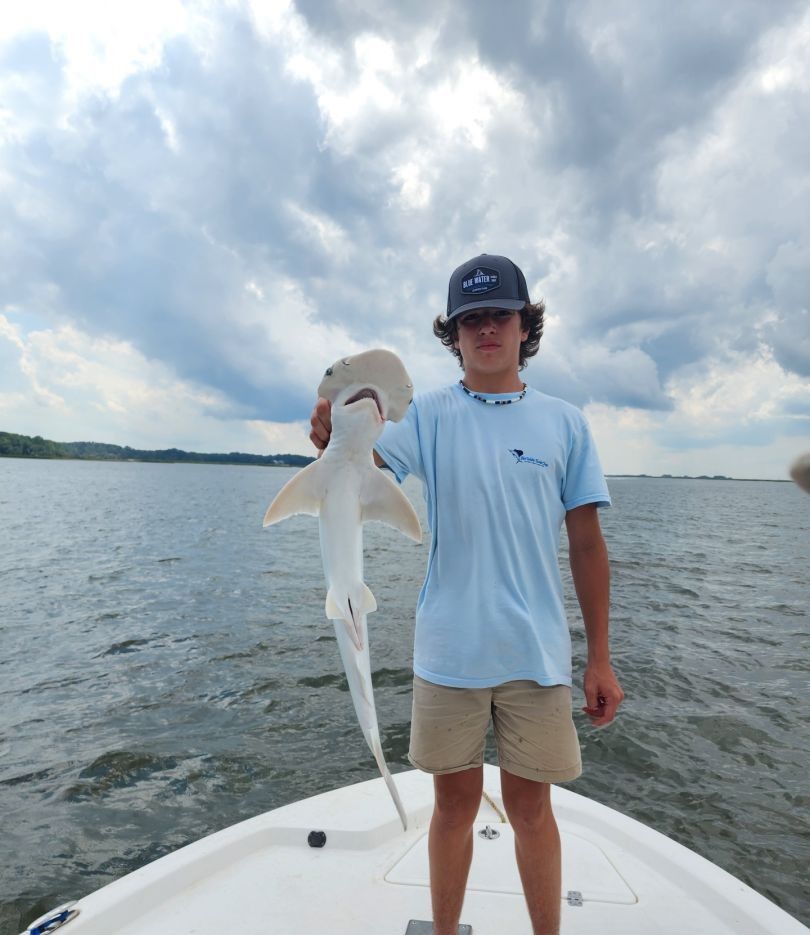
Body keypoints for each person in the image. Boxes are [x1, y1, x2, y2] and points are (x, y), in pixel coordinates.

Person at [309, 253, 624, 935]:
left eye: (498, 315)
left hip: (535, 654)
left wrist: (599, 656)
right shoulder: (427, 417)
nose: (486, 329)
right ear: (453, 334)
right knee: (451, 807)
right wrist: (335, 430)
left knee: (533, 810)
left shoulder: (565, 423)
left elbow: (588, 544)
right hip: (448, 652)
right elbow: (359, 461)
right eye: (470, 319)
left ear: (524, 325)